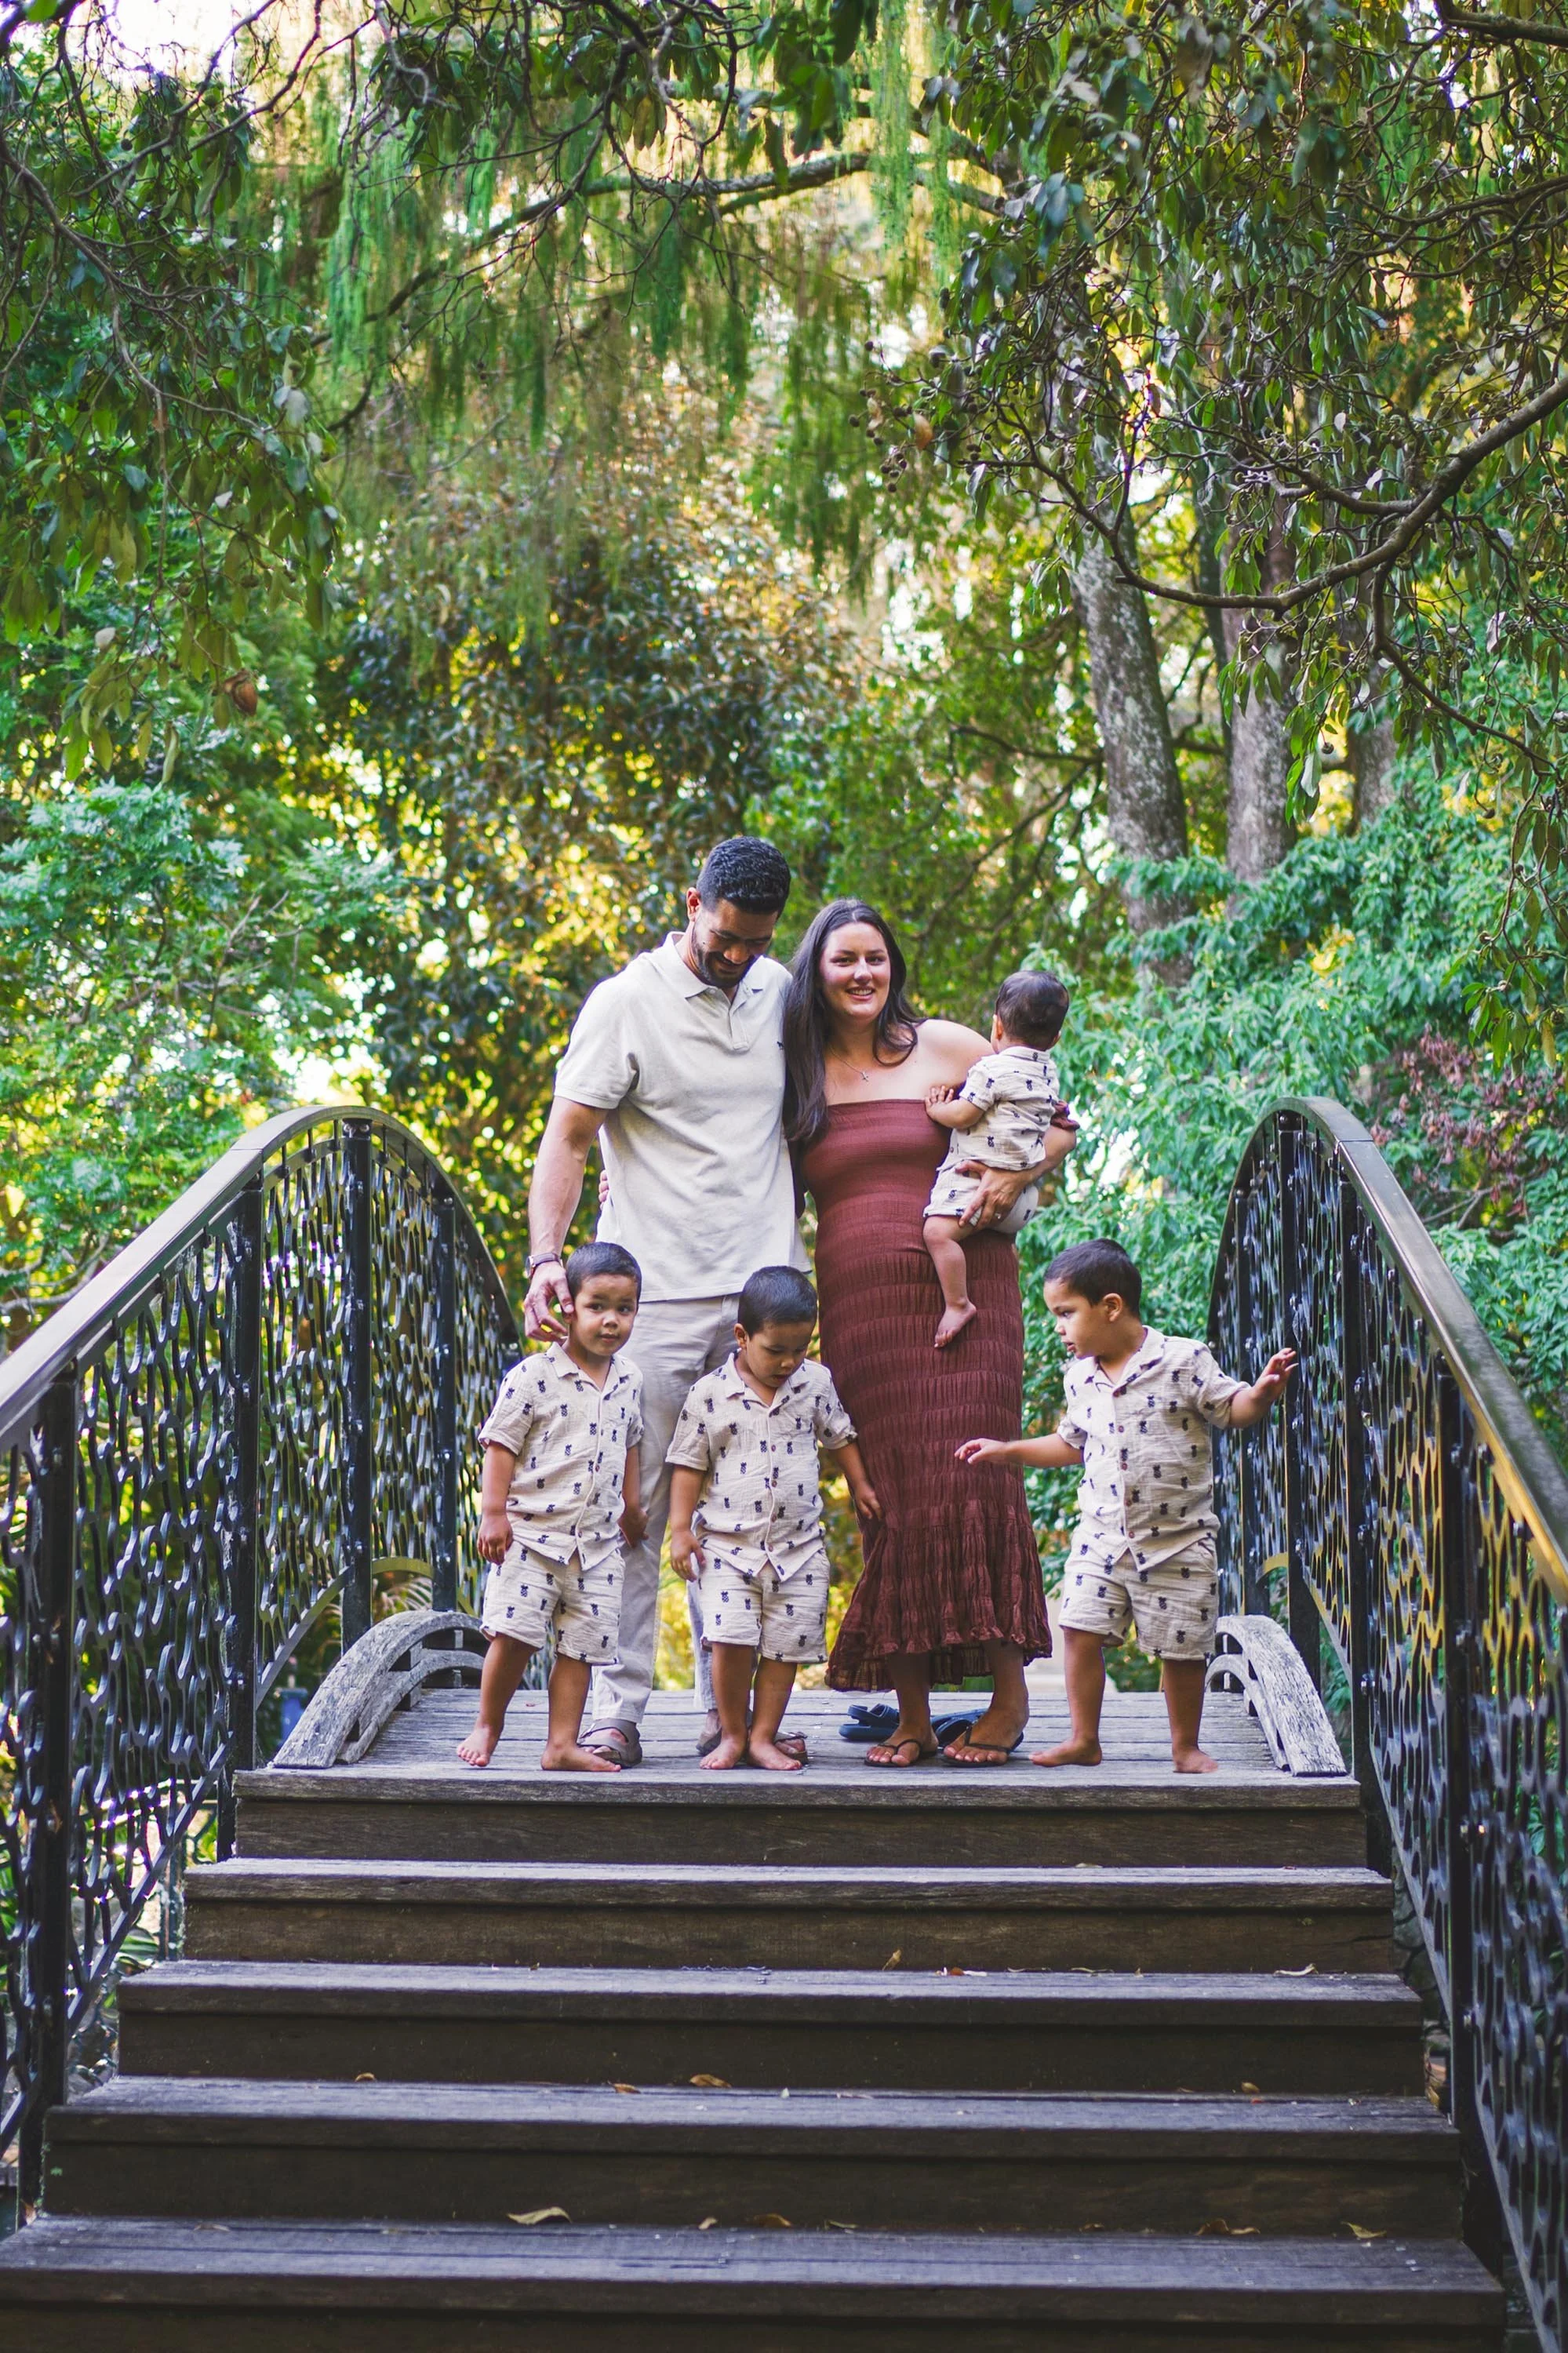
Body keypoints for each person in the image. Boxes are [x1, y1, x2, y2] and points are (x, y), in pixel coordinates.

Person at [521, 837, 809, 1767]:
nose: (736, 959)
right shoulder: (626, 1003)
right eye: (724, 938)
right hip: (654, 1301)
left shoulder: (777, 994)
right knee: (631, 1510)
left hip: (764, 1299)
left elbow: (879, 1054)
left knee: (758, 1514)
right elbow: (567, 1140)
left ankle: (736, 1719)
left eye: (755, 944)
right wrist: (544, 1260)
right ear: (692, 903)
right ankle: (618, 1707)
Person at [785, 899, 1077, 1767]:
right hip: (861, 1309)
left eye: (875, 957)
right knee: (892, 1496)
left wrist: (1012, 1175)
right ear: (818, 970)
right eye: (844, 960)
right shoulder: (794, 1076)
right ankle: (911, 1717)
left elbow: (1055, 1125)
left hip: (969, 1293)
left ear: (893, 966)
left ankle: (1009, 1697)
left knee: (973, 1472)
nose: (862, 973)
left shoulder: (950, 1046)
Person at [956, 1238, 1297, 1774]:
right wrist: (1009, 1451)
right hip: (1101, 1538)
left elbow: (1232, 1410)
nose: (1059, 1328)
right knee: (1078, 1631)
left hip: (1180, 1540)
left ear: (1110, 1307)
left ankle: (1184, 1747)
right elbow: (1071, 1444)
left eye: (1066, 1314)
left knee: (1181, 1652)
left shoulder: (1184, 1360)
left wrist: (1261, 1392)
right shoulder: (1080, 1378)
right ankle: (1083, 1739)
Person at [665, 1266, 881, 1771]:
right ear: (742, 1337)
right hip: (725, 1546)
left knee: (786, 1647)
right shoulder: (709, 1395)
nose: (788, 1361)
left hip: (799, 1548)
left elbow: (840, 1436)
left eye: (800, 1348)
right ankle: (734, 1734)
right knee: (730, 1640)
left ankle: (764, 1736)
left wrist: (860, 1485)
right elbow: (688, 1464)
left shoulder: (815, 1383)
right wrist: (680, 1531)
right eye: (776, 1350)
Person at [457, 1242, 646, 1773]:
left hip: (597, 1546)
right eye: (597, 1306)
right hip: (533, 1537)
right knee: (514, 1638)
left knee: (581, 1648)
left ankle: (562, 1743)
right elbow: (500, 1445)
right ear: (568, 1308)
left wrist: (632, 1507)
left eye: (624, 1309)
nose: (611, 1321)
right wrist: (492, 1514)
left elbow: (631, 1443)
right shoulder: (532, 1377)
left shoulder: (630, 1379)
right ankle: (487, 1724)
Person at [923, 969, 1070, 1348]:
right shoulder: (1048, 1072)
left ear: (997, 1027)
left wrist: (939, 1109)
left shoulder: (991, 1068)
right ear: (1054, 1038)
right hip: (1020, 1203)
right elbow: (1061, 1126)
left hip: (973, 1189)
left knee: (936, 1234)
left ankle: (958, 1303)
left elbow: (966, 1114)